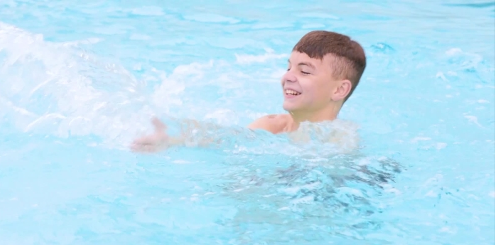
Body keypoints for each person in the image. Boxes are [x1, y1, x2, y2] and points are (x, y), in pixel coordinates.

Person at [130, 30, 366, 153]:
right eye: (288, 67)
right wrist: (173, 138)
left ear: (339, 89)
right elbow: (226, 138)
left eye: (304, 71)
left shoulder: (340, 139)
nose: (288, 76)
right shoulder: (273, 125)